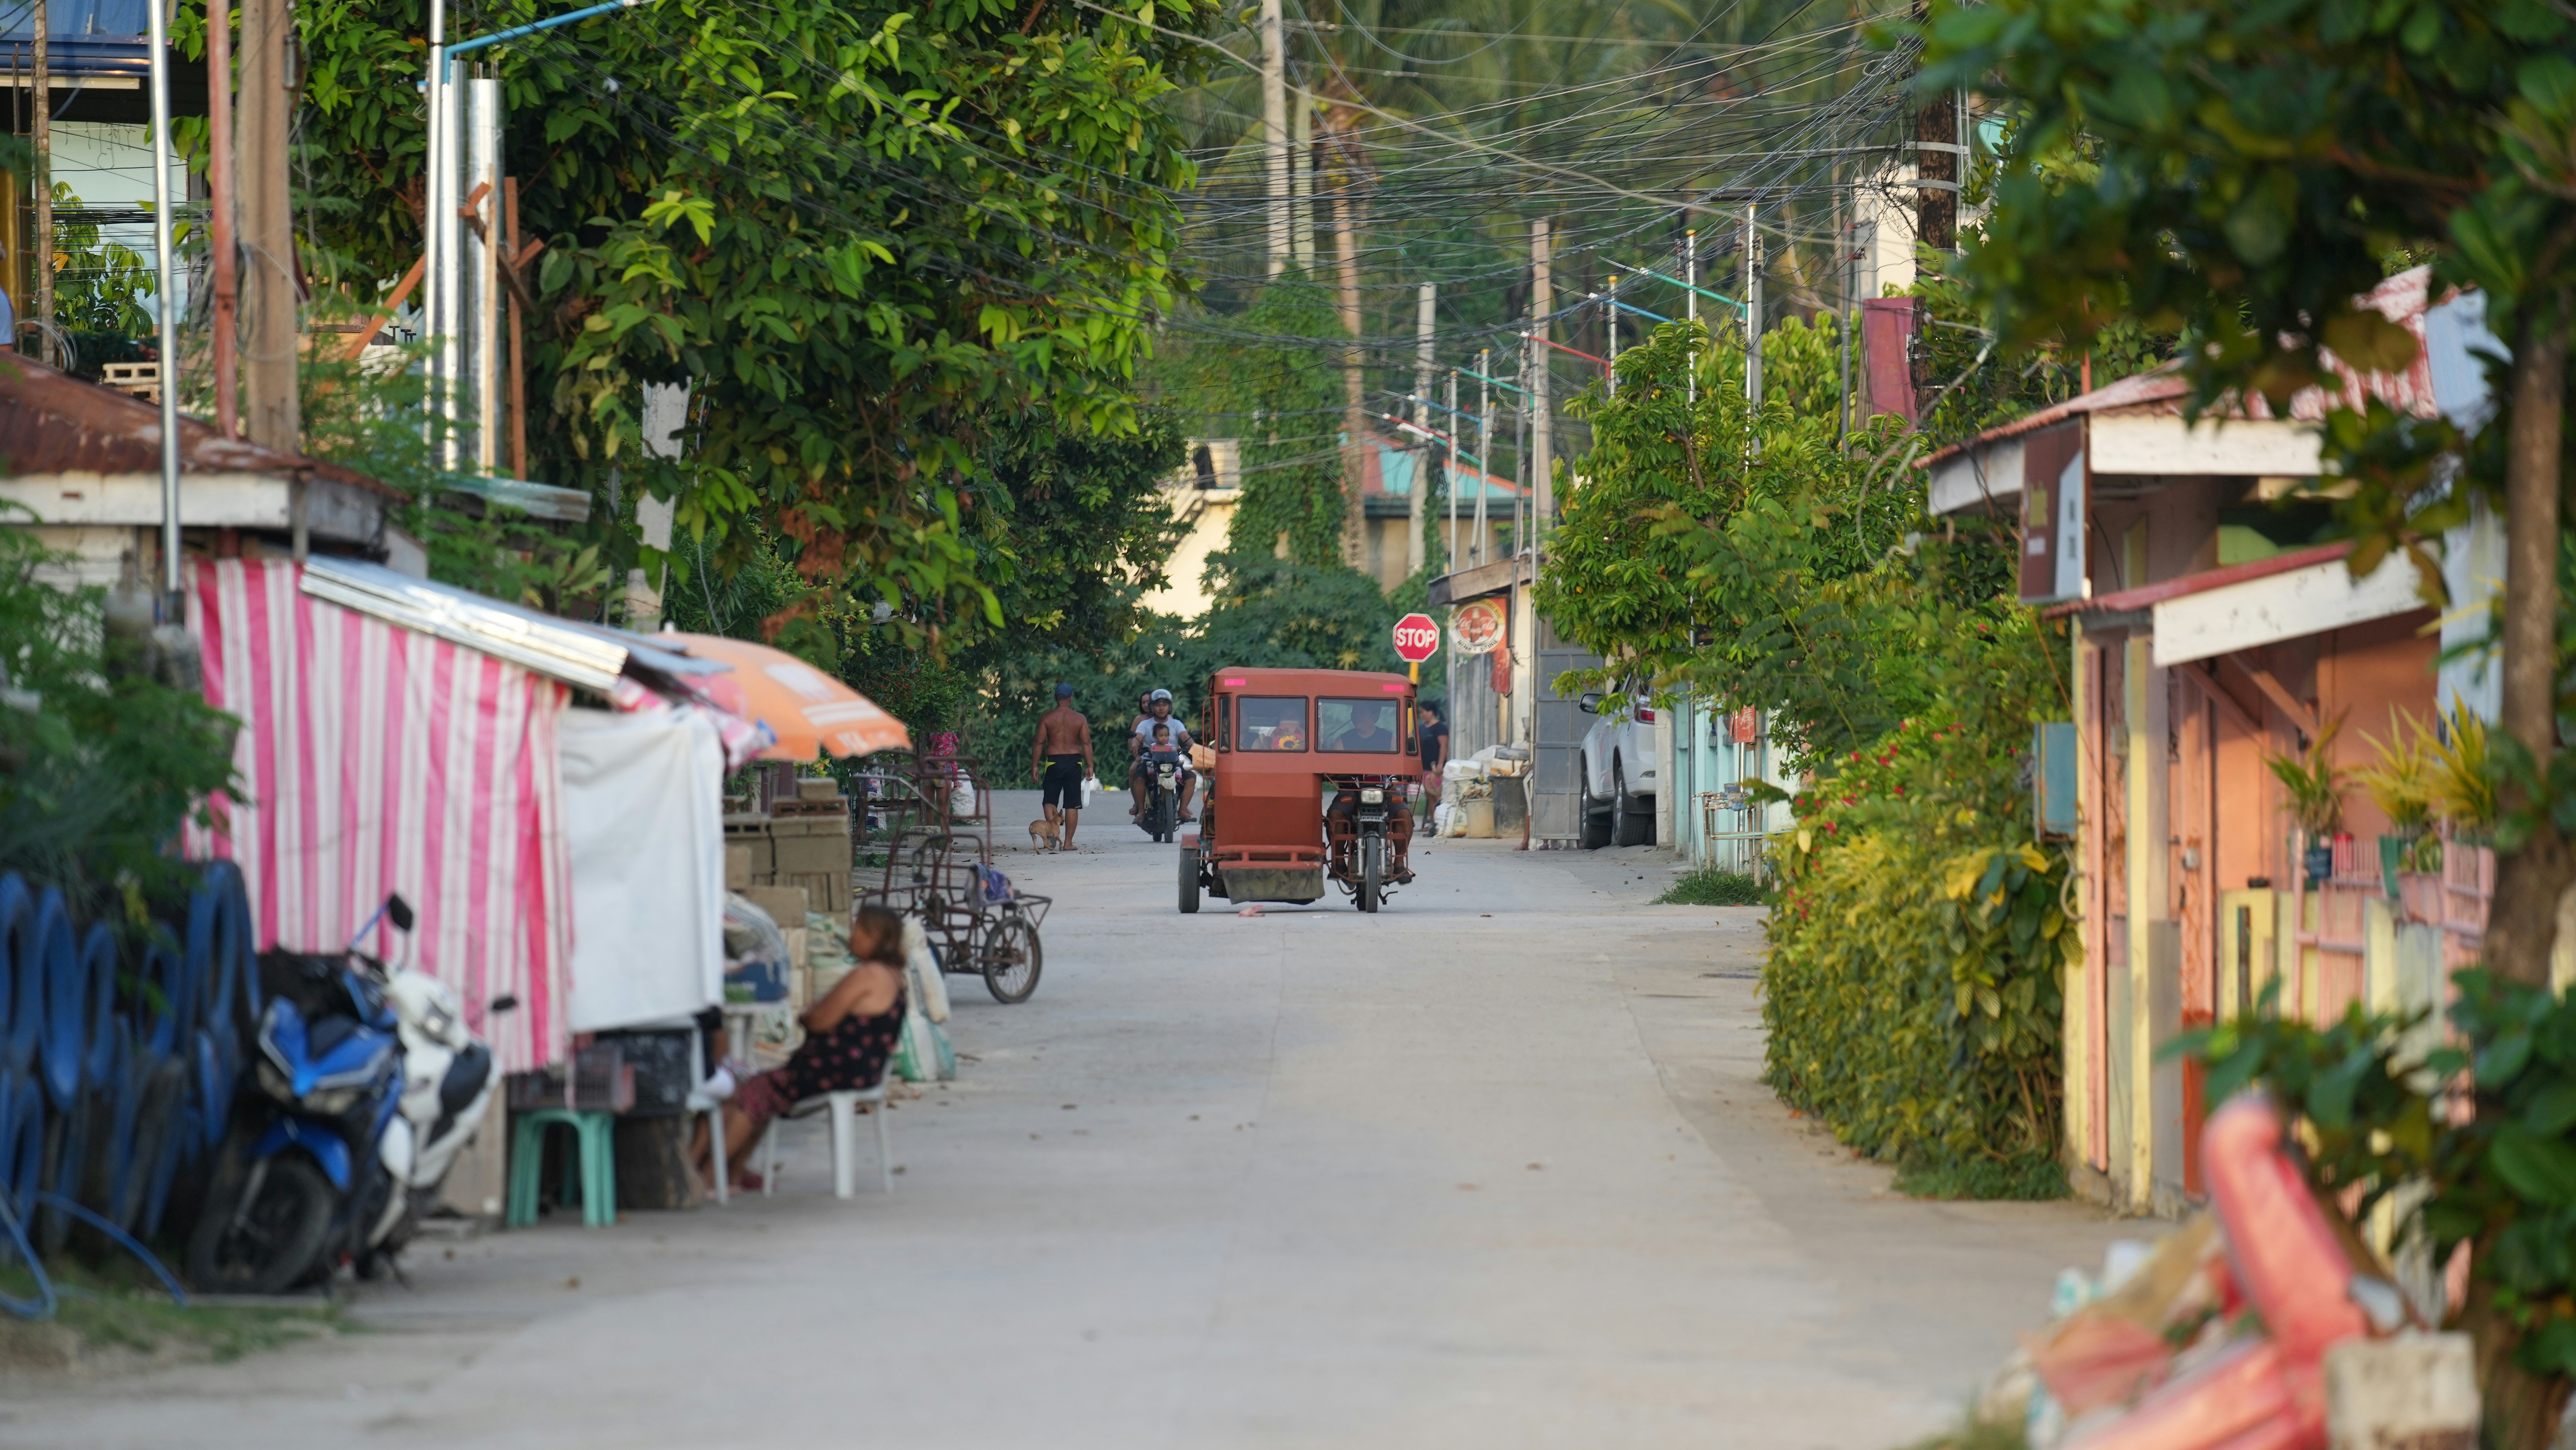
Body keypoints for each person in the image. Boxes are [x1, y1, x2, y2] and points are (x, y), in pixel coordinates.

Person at [691, 906, 908, 1194]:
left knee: (753, 1093)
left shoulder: (869, 974)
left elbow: (818, 1020)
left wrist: (809, 1014)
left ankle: (710, 1176)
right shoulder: (894, 976)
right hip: (858, 1071)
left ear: (875, 937)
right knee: (763, 1090)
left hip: (834, 1071)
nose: (852, 936)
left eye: (859, 930)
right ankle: (733, 1173)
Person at [1030, 683, 1095, 849]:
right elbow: (1086, 742)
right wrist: (1090, 765)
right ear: (1071, 698)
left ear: (1055, 699)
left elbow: (1039, 742)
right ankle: (1068, 843)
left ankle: (1051, 834)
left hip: (1053, 762)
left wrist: (1035, 766)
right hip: (1074, 762)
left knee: (1050, 800)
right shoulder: (1079, 719)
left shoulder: (1048, 718)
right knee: (1072, 804)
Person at [1128, 688, 1197, 824]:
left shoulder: (1176, 723)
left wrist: (1194, 747)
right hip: (1150, 761)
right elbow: (1139, 737)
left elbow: (1185, 737)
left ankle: (1182, 810)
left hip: (1173, 760)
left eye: (1164, 705)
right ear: (1153, 707)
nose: (1161, 708)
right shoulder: (1144, 724)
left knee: (1191, 779)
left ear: (1169, 707)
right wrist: (1136, 743)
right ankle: (1142, 813)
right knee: (1139, 778)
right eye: (1158, 705)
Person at [1416, 701, 1449, 795]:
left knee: (1437, 794)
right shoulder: (1421, 728)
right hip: (1425, 768)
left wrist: (1440, 765)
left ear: (1431, 712)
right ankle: (1432, 811)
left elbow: (1444, 746)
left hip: (1436, 769)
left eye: (1423, 712)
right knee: (1429, 794)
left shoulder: (1440, 728)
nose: (1421, 715)